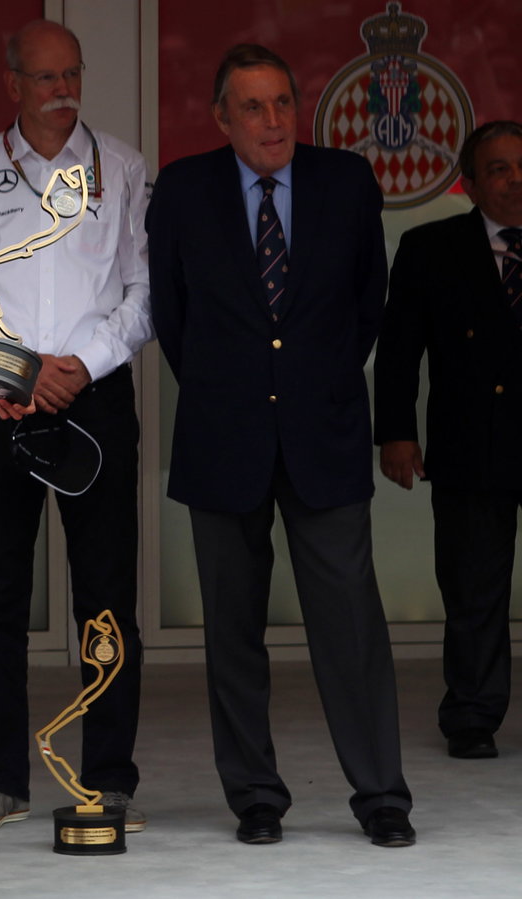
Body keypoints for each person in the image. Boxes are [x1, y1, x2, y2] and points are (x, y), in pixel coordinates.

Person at [147, 43, 414, 847]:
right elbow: (173, 316)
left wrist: (312, 381)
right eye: (253, 107)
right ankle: (255, 796)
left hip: (324, 432)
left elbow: (367, 303)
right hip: (222, 436)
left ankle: (382, 795)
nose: (273, 121)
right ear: (222, 118)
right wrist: (232, 386)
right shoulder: (185, 189)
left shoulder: (346, 181)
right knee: (233, 631)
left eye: (283, 104)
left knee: (352, 625)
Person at [0, 19, 152, 834]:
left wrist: (81, 366)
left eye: (72, 74)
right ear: (13, 85)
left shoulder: (121, 168)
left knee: (106, 596)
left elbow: (143, 292)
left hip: (92, 397)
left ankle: (110, 778)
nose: (63, 91)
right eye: (45, 78)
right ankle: (1, 782)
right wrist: (6, 377)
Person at [376, 120, 522, 761]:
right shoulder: (430, 248)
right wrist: (396, 433)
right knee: (472, 589)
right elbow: (398, 351)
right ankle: (471, 716)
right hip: (470, 446)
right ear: (470, 183)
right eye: (499, 169)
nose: (515, 180)